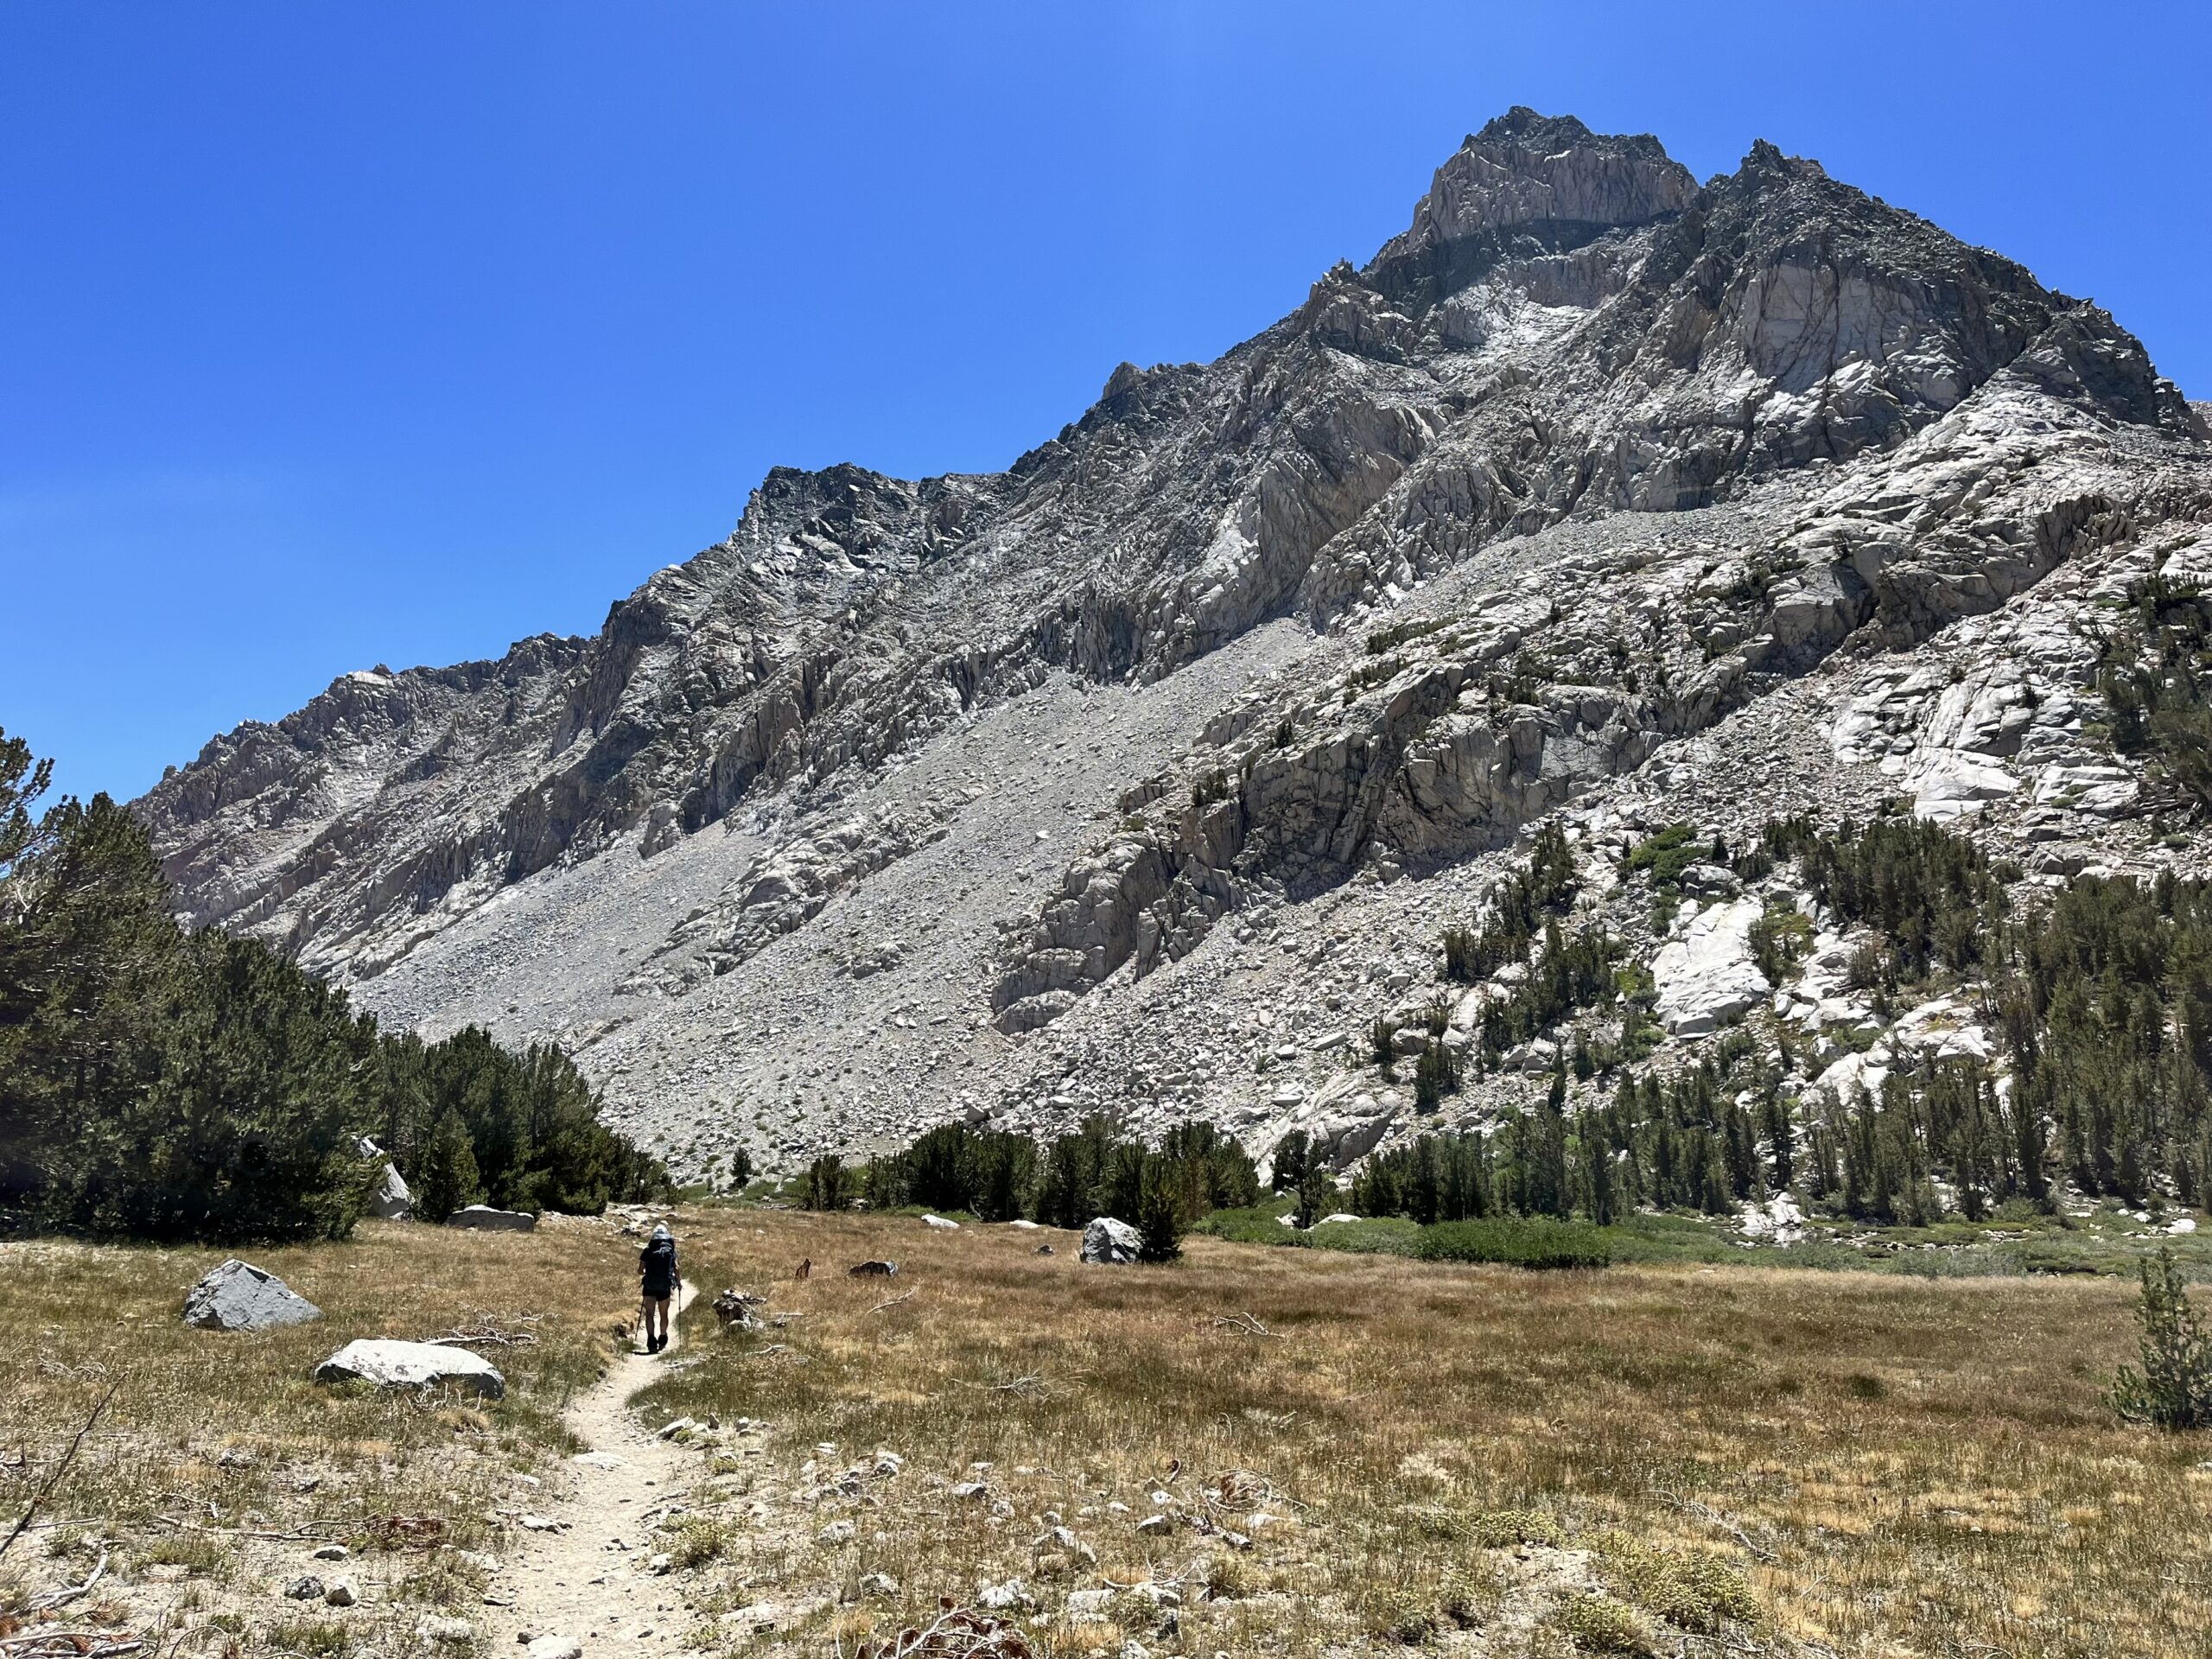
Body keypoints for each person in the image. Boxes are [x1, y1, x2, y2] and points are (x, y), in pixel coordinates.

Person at [639, 1223, 678, 1352]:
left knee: (649, 1313)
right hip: (664, 1286)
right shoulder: (671, 1250)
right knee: (663, 1313)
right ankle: (663, 1336)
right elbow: (676, 1268)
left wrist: (647, 1274)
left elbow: (640, 1270)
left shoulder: (648, 1249)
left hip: (649, 1285)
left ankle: (651, 1340)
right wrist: (679, 1283)